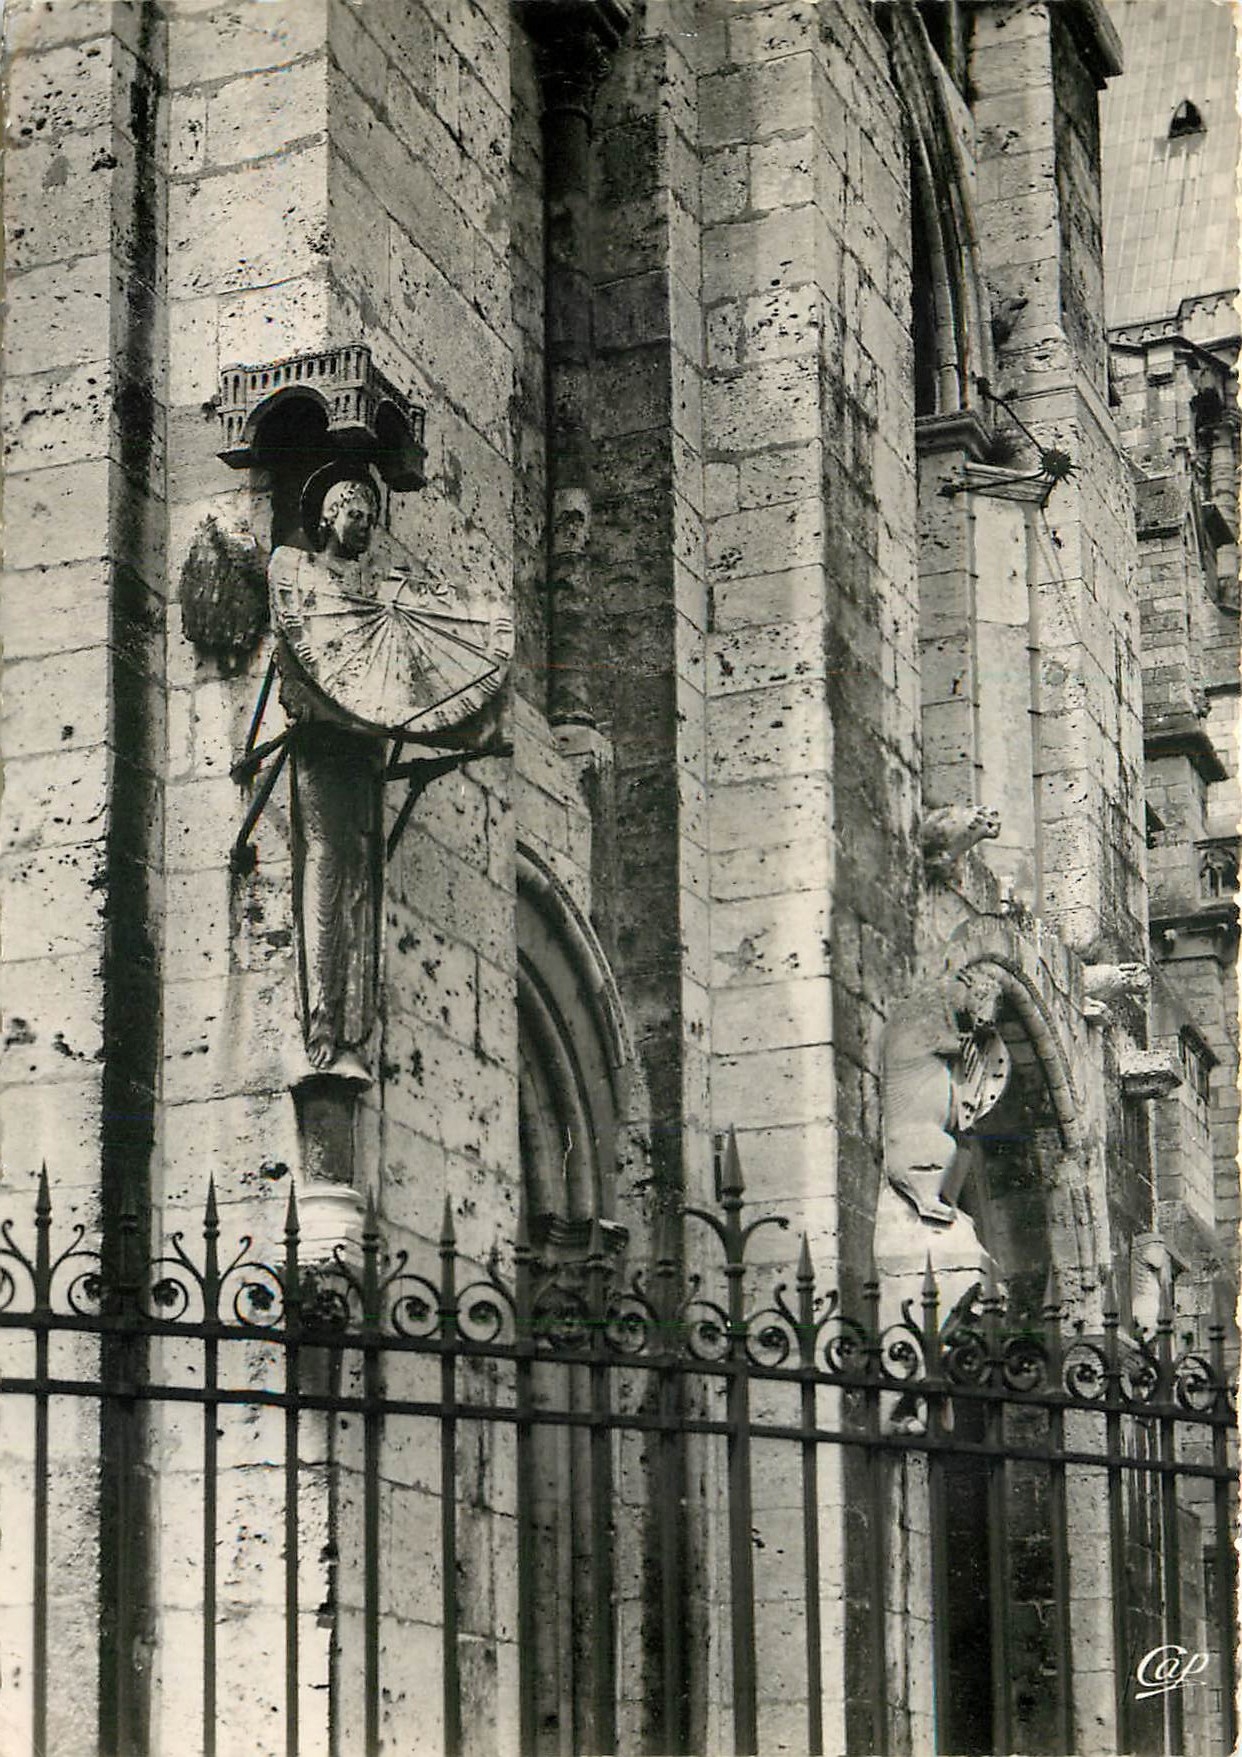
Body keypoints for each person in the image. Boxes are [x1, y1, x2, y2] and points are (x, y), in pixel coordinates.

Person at [269, 469, 387, 1084]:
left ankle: (351, 1019)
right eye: (353, 512)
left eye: (369, 515)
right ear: (328, 517)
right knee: (325, 860)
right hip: (322, 735)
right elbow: (299, 646)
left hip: (363, 739)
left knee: (363, 869)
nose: (363, 524)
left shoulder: (378, 590)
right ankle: (320, 1010)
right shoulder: (298, 572)